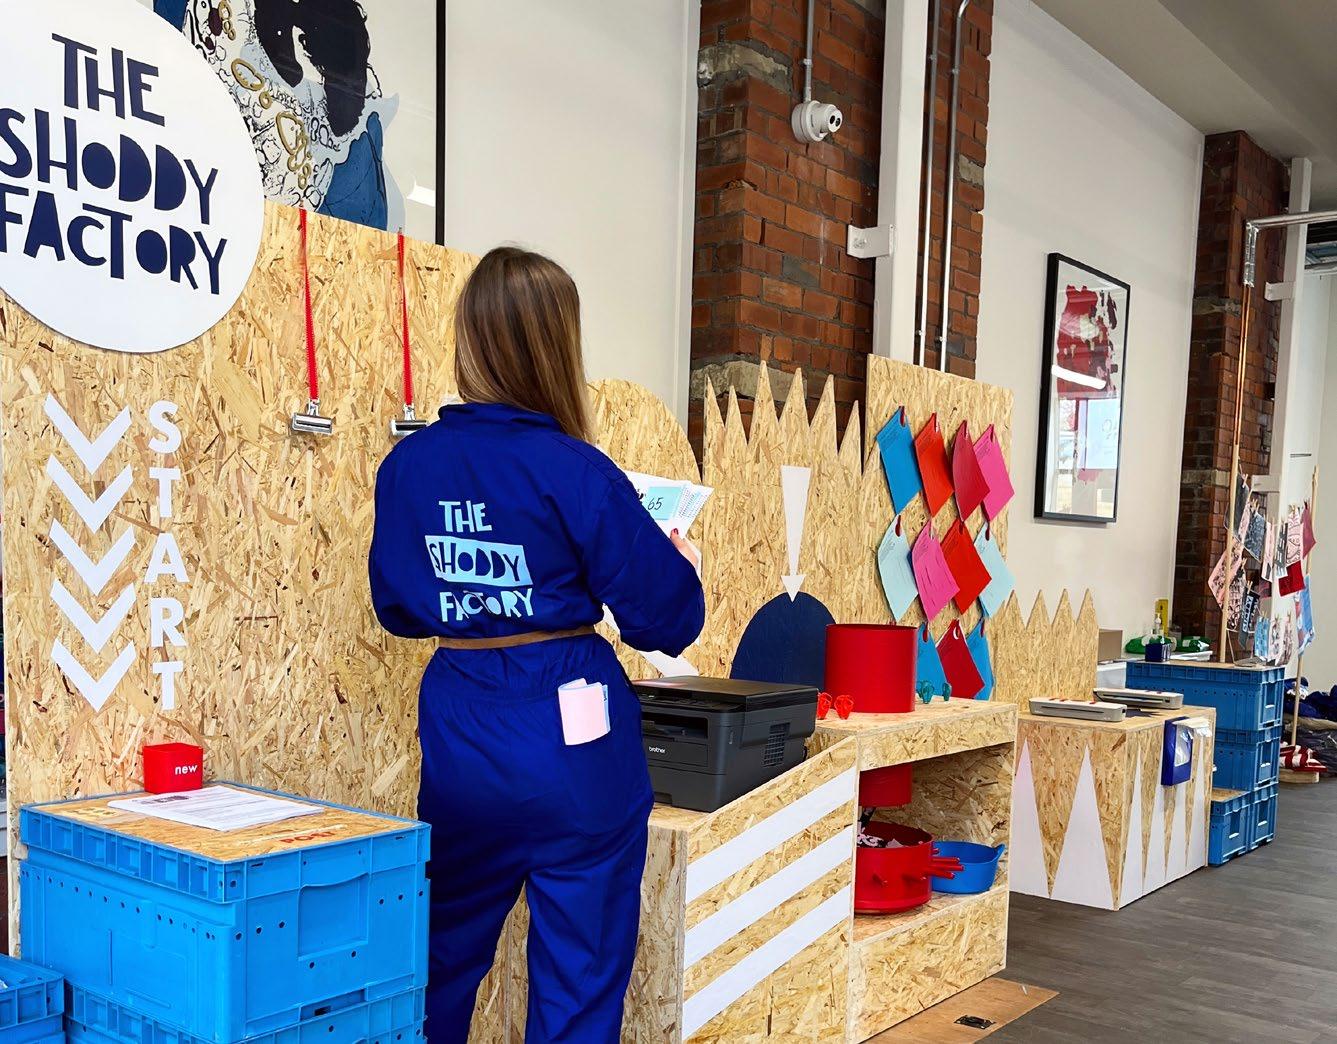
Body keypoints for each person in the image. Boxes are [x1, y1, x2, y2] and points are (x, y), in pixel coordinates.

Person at [368, 247, 705, 1043]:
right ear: (558, 344)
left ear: (470, 338)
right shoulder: (578, 471)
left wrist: (473, 596)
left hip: (461, 733)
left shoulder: (409, 466)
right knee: (579, 977)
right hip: (572, 737)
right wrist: (680, 562)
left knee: (437, 959)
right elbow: (665, 621)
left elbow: (398, 610)